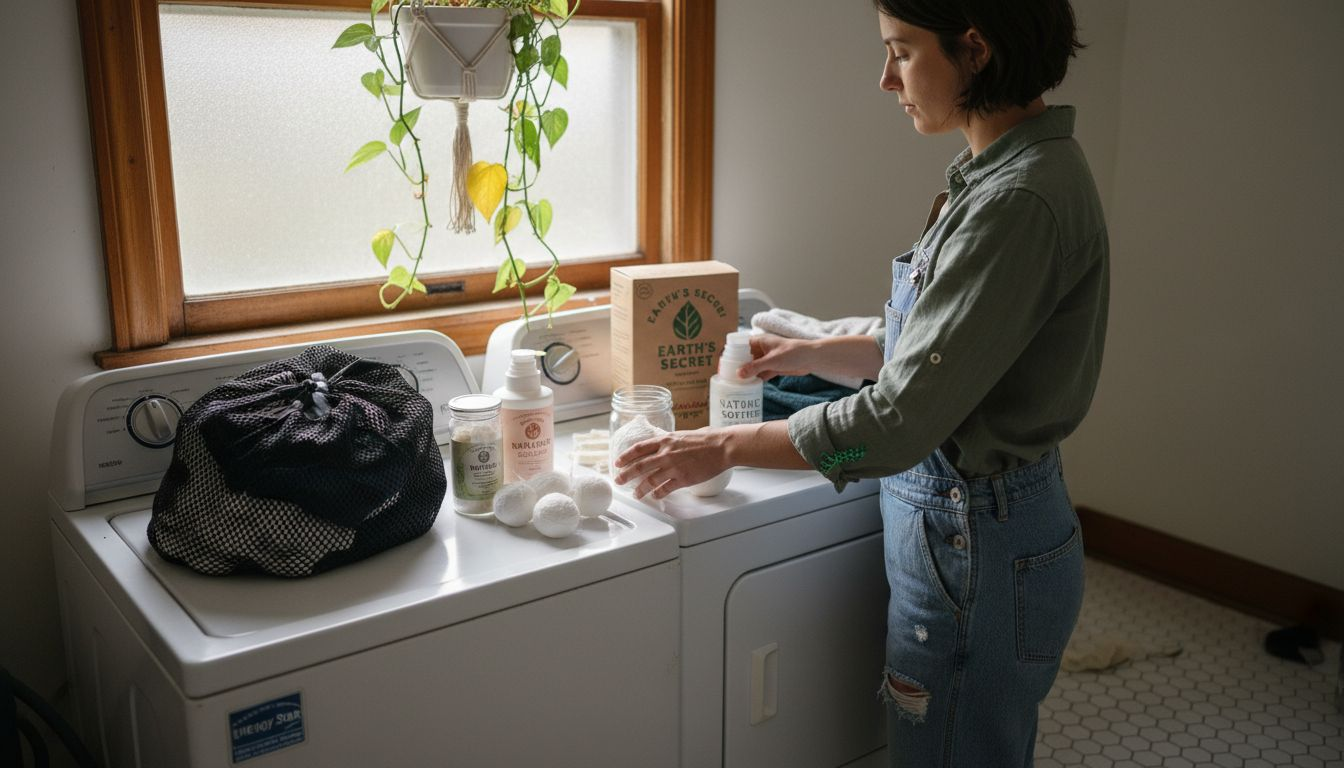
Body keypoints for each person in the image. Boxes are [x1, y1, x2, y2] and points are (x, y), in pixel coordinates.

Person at [615, 0, 1107, 764]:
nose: (885, 79)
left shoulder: (1016, 203)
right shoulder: (999, 175)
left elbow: (899, 425)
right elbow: (942, 357)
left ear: (974, 48)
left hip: (973, 536)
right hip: (979, 527)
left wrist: (726, 447)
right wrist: (814, 353)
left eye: (902, 52)